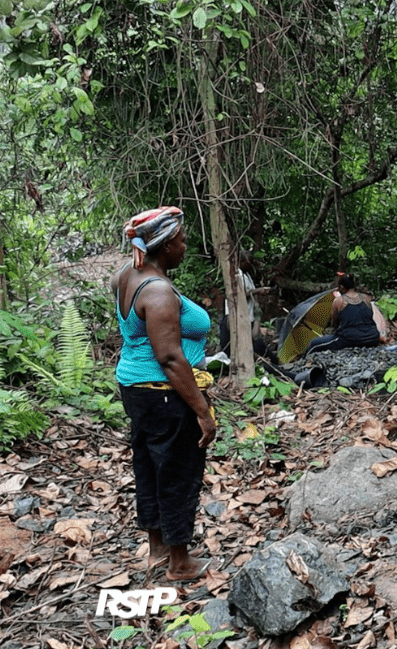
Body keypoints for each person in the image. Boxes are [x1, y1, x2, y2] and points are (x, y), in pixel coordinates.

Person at [110, 206, 216, 582]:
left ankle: (157, 548)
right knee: (177, 470)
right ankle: (179, 562)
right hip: (164, 393)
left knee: (150, 464)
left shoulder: (126, 274)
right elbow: (170, 357)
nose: (186, 246)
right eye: (182, 240)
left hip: (136, 390)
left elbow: (136, 333)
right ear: (167, 245)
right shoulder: (157, 292)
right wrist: (202, 410)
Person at [306, 272, 387, 355]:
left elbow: (334, 323)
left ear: (342, 287)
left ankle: (304, 362)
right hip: (372, 338)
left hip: (351, 339)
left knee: (313, 344)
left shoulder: (339, 300)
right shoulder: (366, 298)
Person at [218, 250, 270, 357]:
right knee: (230, 352)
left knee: (257, 348)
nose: (251, 264)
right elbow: (236, 296)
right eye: (248, 262)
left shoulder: (247, 275)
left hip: (247, 317)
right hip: (236, 318)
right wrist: (258, 291)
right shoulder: (236, 275)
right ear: (241, 261)